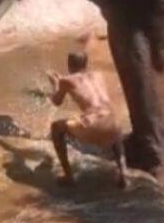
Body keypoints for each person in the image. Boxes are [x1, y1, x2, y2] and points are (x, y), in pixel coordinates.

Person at [46, 52, 127, 188]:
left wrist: (56, 84)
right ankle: (122, 171)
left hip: (95, 124)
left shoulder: (66, 80)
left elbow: (56, 102)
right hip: (116, 125)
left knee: (56, 127)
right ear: (86, 64)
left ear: (69, 65)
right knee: (111, 118)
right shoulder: (99, 75)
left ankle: (68, 176)